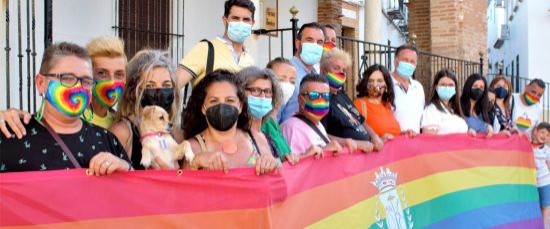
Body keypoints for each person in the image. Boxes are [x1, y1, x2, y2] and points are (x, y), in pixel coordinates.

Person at [0, 42, 131, 175]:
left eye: (86, 81)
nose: (78, 87)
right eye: (67, 78)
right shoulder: (11, 135)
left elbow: (133, 189)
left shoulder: (106, 139)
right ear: (41, 83)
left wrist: (125, 168)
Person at [0, 36, 127, 138]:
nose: (112, 83)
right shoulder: (67, 116)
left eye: (119, 74)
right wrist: (6, 116)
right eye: (102, 73)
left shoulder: (121, 123)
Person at [182, 69, 279, 175]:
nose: (222, 106)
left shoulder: (256, 138)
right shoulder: (192, 147)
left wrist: (273, 163)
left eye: (230, 100)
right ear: (203, 108)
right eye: (214, 101)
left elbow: (280, 176)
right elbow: (182, 185)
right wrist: (196, 162)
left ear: (240, 106)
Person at [109, 49, 182, 170]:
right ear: (135, 92)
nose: (159, 92)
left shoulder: (177, 135)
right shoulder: (122, 133)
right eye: (149, 86)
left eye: (166, 85)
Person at [177, 0, 256, 88]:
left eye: (246, 19)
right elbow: (174, 87)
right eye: (235, 18)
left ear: (252, 23)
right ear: (225, 20)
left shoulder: (250, 60)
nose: (241, 23)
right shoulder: (205, 49)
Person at [319, 48, 378, 152]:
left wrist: (374, 137)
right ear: (324, 71)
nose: (341, 73)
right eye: (336, 68)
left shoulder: (342, 95)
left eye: (344, 70)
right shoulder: (321, 99)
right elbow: (320, 134)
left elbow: (361, 121)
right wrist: (353, 143)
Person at [237, 66, 297, 164]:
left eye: (268, 91)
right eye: (255, 90)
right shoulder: (235, 135)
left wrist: (286, 161)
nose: (263, 96)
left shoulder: (266, 136)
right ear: (240, 93)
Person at [281, 74, 343, 158]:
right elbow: (293, 167)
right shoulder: (292, 127)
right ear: (300, 99)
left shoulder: (318, 124)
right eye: (314, 95)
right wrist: (324, 151)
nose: (321, 100)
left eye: (326, 96)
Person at [278, 22, 325, 123]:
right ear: (298, 43)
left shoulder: (315, 74)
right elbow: (274, 116)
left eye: (320, 42)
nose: (315, 45)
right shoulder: (286, 72)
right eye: (309, 40)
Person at [354, 64, 401, 141]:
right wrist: (379, 140)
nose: (375, 84)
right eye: (370, 81)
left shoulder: (387, 104)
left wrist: (404, 134)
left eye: (379, 81)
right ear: (365, 84)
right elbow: (354, 135)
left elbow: (392, 132)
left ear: (387, 85)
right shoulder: (359, 104)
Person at [420, 69, 468, 135]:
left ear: (455, 88)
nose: (447, 87)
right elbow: (429, 140)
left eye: (451, 85)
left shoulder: (454, 109)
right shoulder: (431, 110)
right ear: (436, 87)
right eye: (443, 84)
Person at [391, 44, 425, 136]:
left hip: (415, 145)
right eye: (405, 60)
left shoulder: (418, 88)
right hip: (392, 144)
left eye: (412, 61)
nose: (409, 64)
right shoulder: (385, 85)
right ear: (395, 61)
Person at [531, 122, 550, 227]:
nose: (544, 136)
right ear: (536, 131)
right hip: (532, 184)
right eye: (543, 132)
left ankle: (545, 227)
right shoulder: (528, 147)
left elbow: (549, 166)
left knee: (545, 207)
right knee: (535, 207)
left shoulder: (547, 150)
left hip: (545, 183)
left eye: (548, 135)